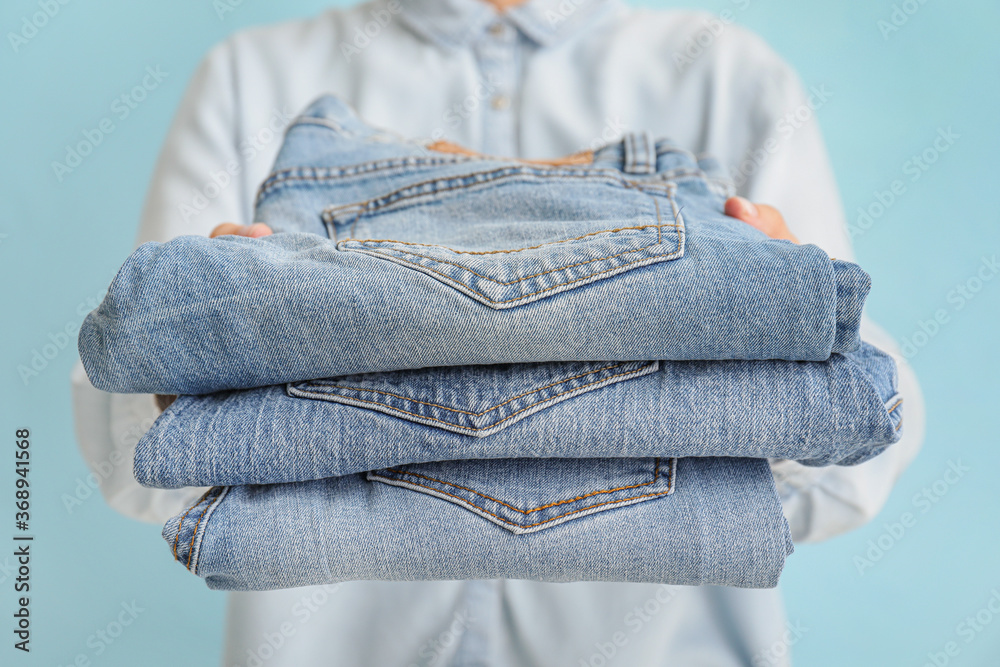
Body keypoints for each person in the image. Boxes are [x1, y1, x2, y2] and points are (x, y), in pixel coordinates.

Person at [71, 0, 924, 664]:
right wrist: (184, 373)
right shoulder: (247, 77)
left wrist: (789, 357)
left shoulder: (730, 75)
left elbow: (866, 441)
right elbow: (135, 443)